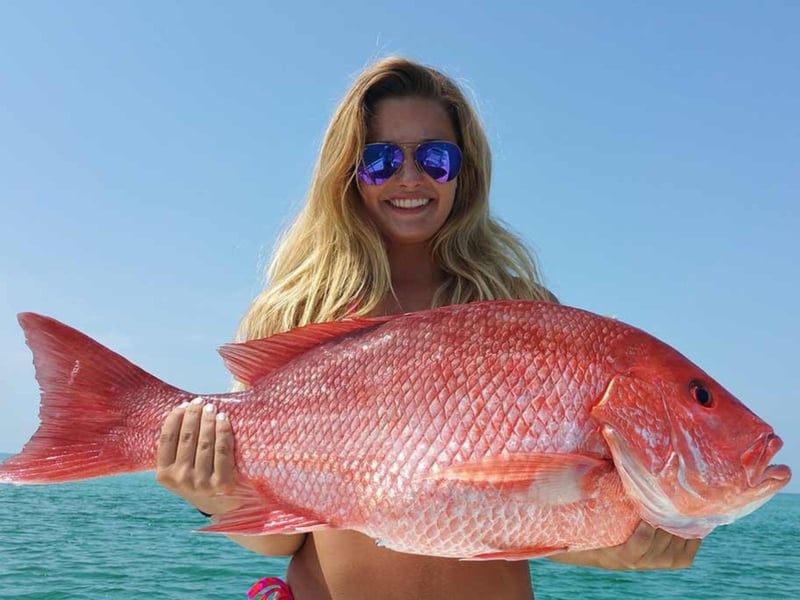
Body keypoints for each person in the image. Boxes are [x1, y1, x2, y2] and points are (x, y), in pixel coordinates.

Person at [155, 57, 701, 599]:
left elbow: (536, 523)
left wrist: (621, 546)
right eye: (381, 159)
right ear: (348, 170)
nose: (410, 178)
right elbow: (288, 538)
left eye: (435, 157)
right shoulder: (297, 311)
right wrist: (214, 494)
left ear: (464, 172)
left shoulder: (521, 309)